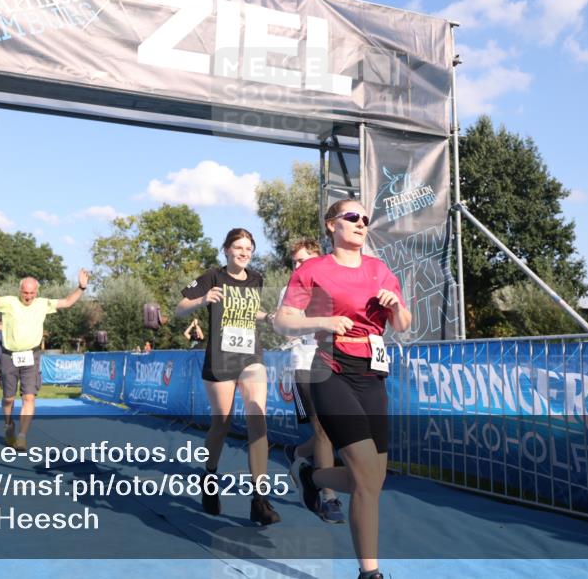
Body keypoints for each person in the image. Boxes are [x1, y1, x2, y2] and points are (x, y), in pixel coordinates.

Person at [274, 199, 411, 579]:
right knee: (366, 477)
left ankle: (311, 476)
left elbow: (401, 323)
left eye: (365, 219)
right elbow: (284, 321)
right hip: (330, 371)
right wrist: (323, 320)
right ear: (331, 225)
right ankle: (370, 572)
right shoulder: (314, 269)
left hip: (372, 375)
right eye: (352, 217)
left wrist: (396, 305)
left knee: (371, 480)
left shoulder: (379, 269)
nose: (361, 223)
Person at [175, 227, 280, 526]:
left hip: (250, 355)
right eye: (239, 248)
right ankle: (209, 478)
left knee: (257, 419)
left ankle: (260, 499)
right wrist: (202, 299)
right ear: (226, 250)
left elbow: (250, 311)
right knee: (221, 423)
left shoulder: (257, 279)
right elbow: (180, 308)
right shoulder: (212, 276)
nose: (244, 253)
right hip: (220, 359)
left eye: (249, 248)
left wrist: (268, 317)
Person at [276, 238, 346, 524]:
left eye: (304, 261)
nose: (298, 266)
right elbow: (285, 330)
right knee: (322, 430)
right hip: (304, 362)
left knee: (333, 432)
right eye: (295, 262)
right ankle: (328, 497)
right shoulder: (290, 289)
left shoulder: (334, 285)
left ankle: (296, 454)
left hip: (336, 362)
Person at [0, 266, 89, 450]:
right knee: (8, 398)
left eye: (32, 293)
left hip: (31, 355)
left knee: (29, 397)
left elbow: (66, 302)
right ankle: (9, 425)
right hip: (9, 356)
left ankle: (22, 436)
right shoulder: (9, 302)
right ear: (19, 291)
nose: (28, 296)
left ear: (37, 292)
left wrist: (81, 288)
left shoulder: (42, 303)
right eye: (25, 292)